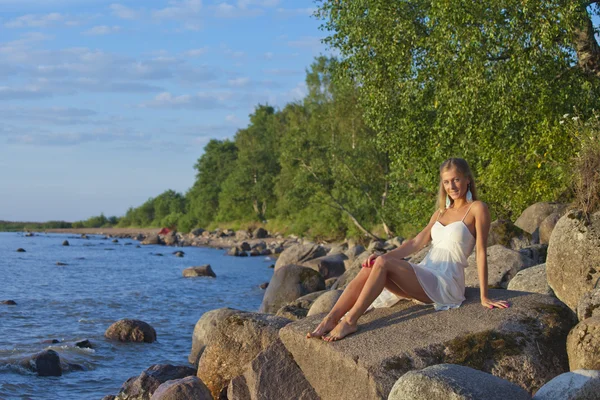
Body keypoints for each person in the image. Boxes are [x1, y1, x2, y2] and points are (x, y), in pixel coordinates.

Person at [307, 158, 509, 342]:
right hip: (426, 274)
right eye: (446, 182)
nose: (451, 186)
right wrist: (382, 255)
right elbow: (415, 243)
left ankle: (350, 321)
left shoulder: (477, 208)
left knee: (383, 263)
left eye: (456, 180)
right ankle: (330, 319)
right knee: (373, 265)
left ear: (467, 179)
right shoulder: (440, 213)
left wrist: (484, 296)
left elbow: (482, 251)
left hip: (446, 283)